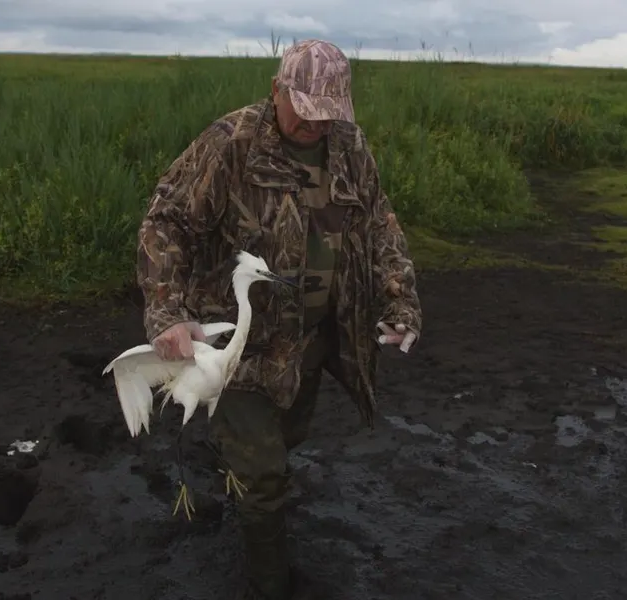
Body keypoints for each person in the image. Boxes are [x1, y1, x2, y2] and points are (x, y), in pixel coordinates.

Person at [135, 39, 423, 599]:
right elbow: (165, 223)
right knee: (266, 478)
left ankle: (236, 462)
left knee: (285, 442)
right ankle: (271, 584)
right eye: (306, 111)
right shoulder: (231, 144)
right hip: (235, 351)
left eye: (327, 114)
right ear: (277, 90)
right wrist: (167, 312)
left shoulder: (349, 147)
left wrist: (400, 301)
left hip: (308, 344)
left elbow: (381, 226)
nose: (316, 125)